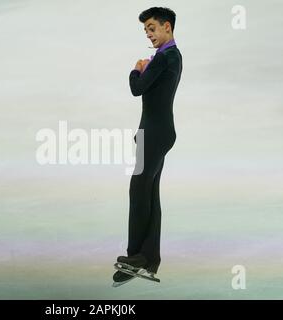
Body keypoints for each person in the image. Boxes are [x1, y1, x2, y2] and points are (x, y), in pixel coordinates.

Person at [113, 6, 183, 285]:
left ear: (167, 27)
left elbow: (136, 88)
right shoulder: (171, 55)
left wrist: (136, 68)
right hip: (158, 132)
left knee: (139, 189)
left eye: (152, 28)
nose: (149, 34)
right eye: (146, 30)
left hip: (154, 135)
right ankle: (149, 257)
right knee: (149, 192)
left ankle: (136, 256)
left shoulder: (164, 58)